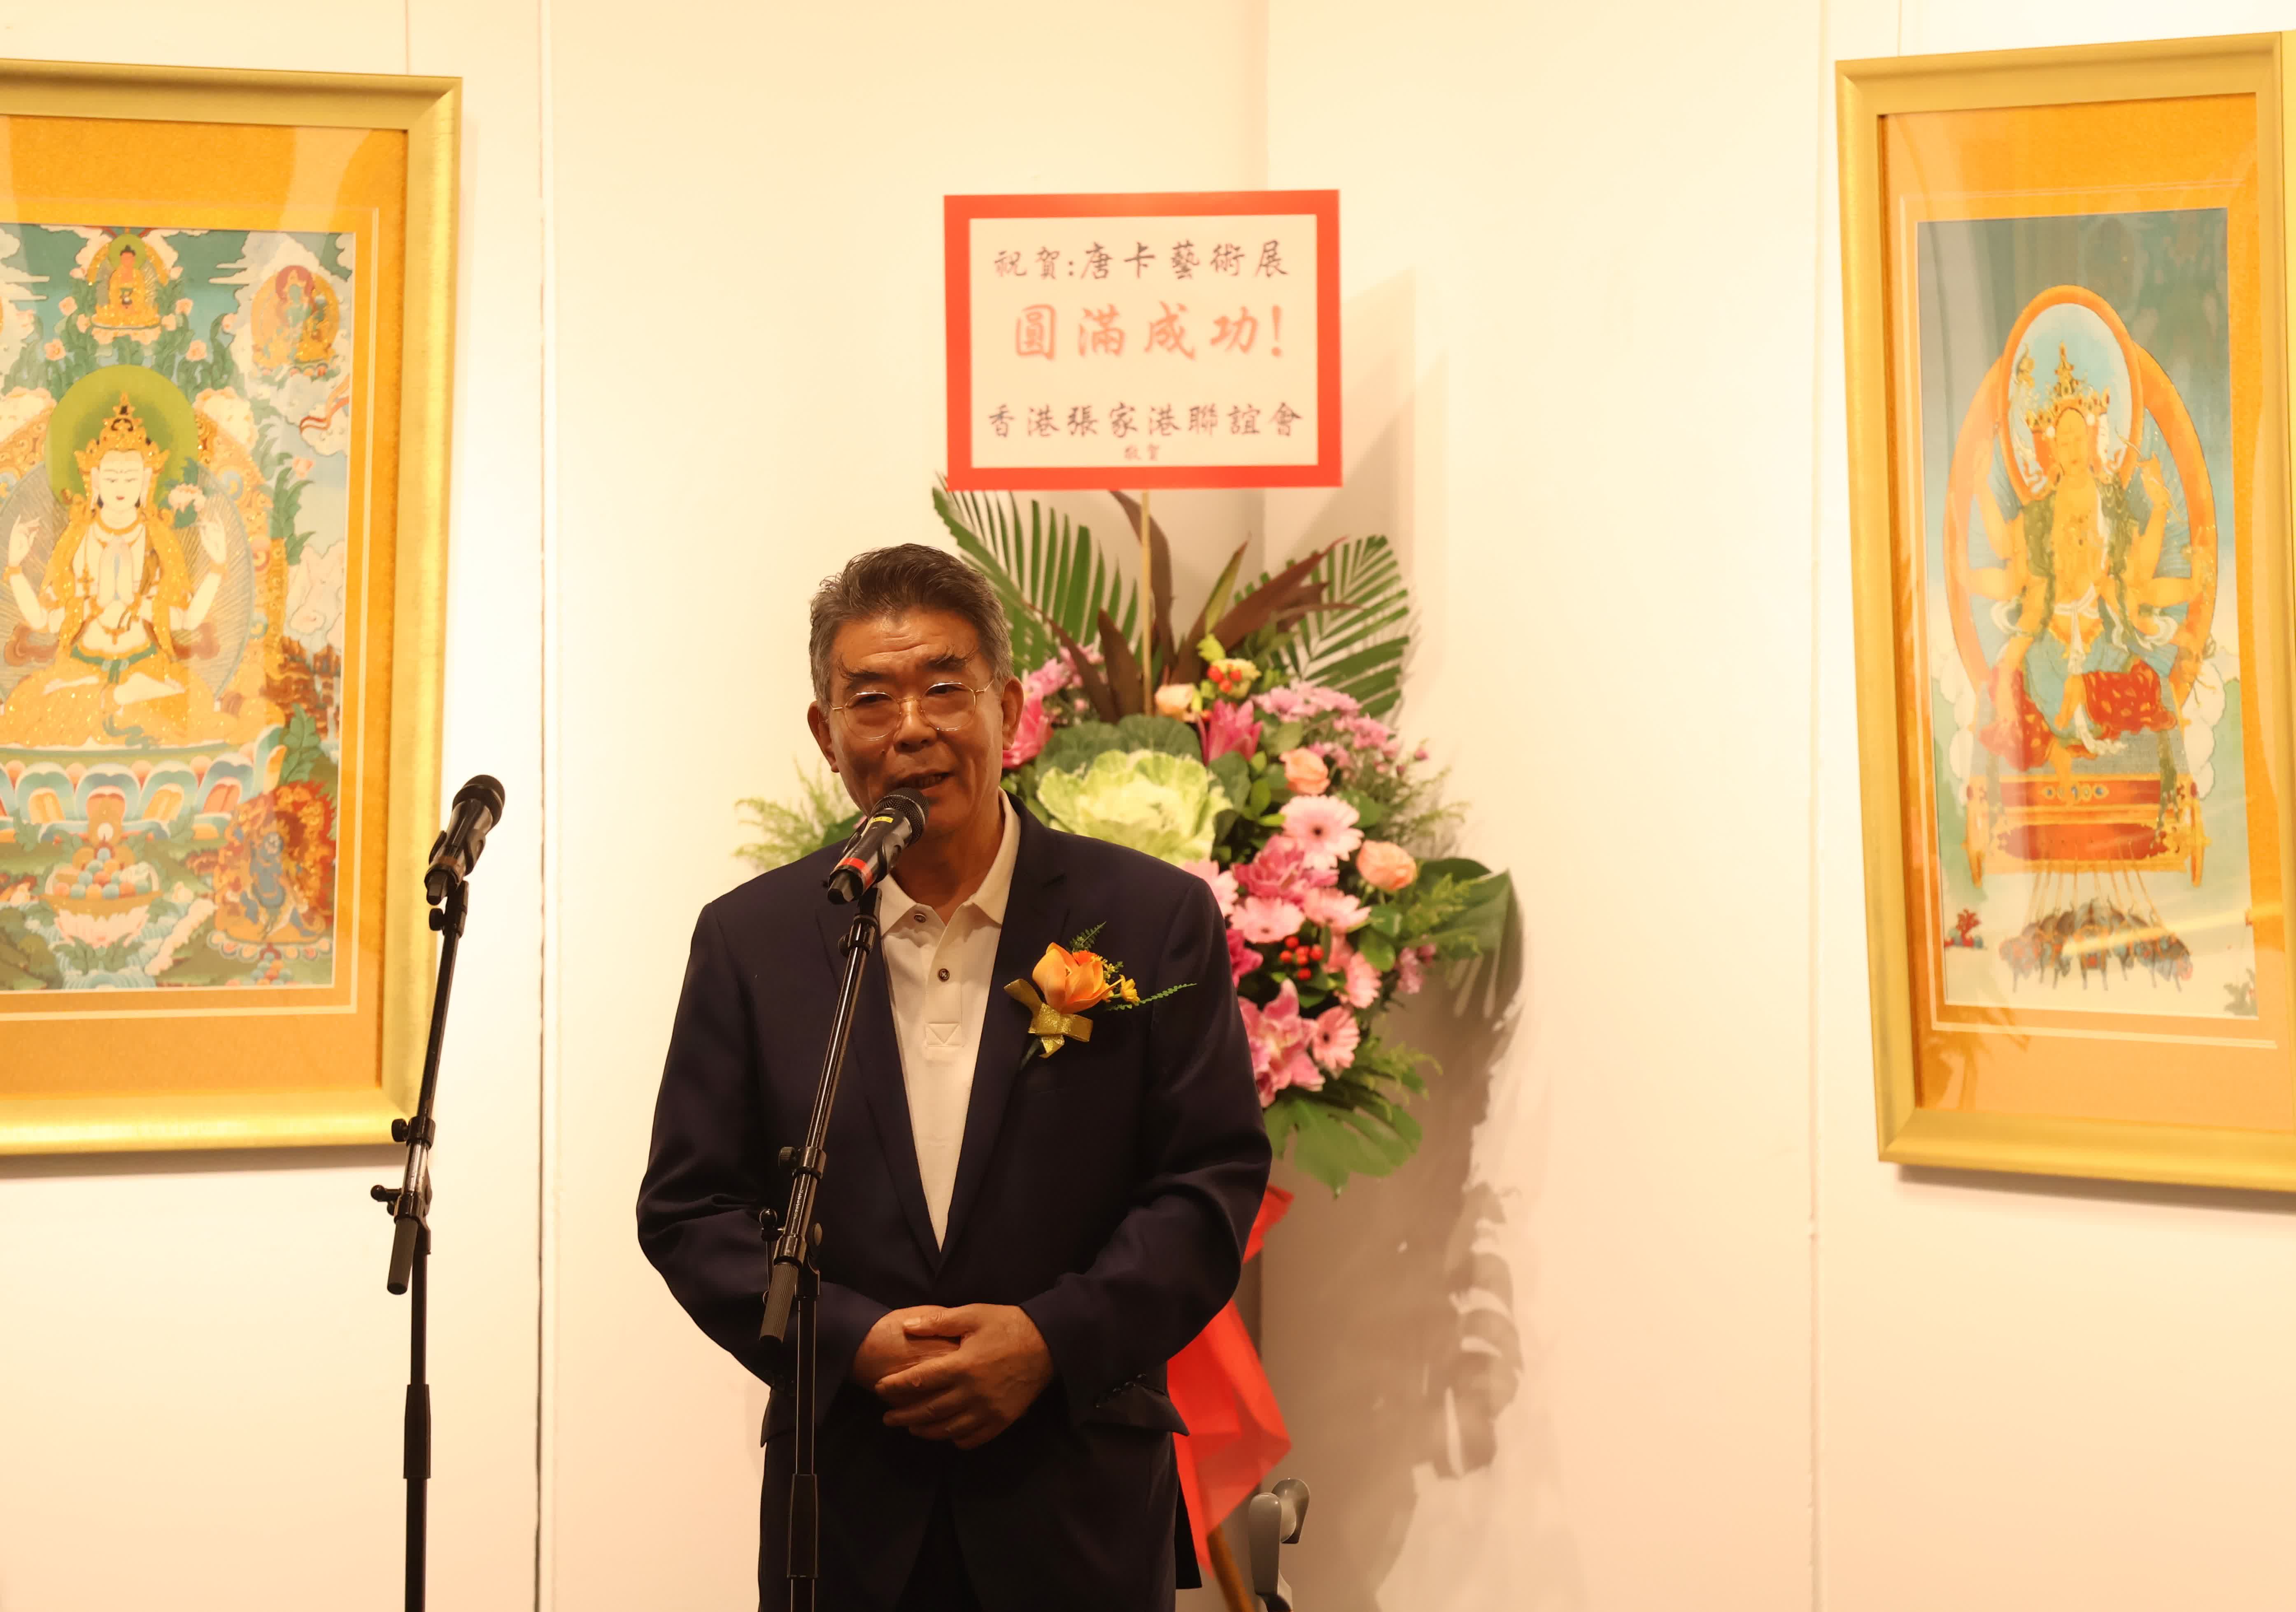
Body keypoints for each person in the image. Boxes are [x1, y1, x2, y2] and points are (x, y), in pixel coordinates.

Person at [638, 544, 1269, 1611]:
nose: (911, 727)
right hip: (846, 1504)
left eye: (944, 688)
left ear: (1008, 708)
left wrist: (1048, 1338)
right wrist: (854, 1341)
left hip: (1075, 1495)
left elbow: (1207, 1187)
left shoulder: (1151, 919)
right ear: (825, 734)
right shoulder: (756, 940)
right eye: (870, 699)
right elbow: (691, 1208)